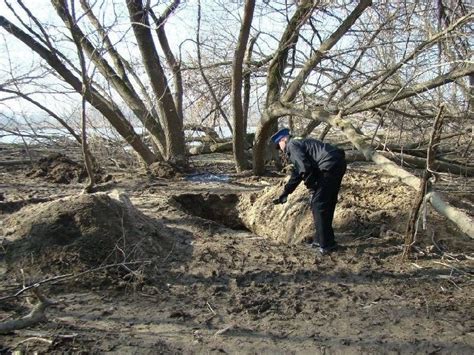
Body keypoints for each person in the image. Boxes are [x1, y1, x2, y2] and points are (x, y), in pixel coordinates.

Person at [270, 128, 347, 255]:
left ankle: (326, 245)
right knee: (327, 202)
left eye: (279, 145)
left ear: (283, 139)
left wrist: (312, 187)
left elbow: (304, 169)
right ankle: (322, 240)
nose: (280, 149)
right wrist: (286, 192)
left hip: (328, 165)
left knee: (318, 204)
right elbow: (297, 173)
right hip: (337, 162)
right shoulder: (300, 143)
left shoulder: (292, 145)